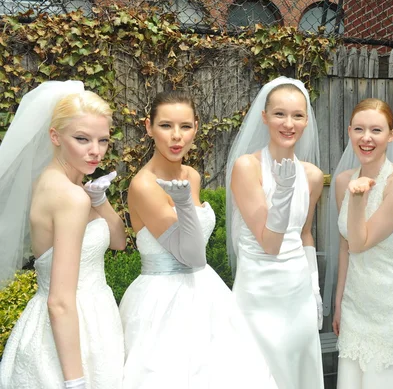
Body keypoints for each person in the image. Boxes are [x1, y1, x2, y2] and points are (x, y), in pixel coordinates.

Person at [119, 91, 277, 389]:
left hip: (206, 292)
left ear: (196, 127)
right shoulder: (142, 186)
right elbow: (190, 254)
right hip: (163, 302)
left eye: (185, 126)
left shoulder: (191, 175)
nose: (176, 136)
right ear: (148, 127)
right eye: (165, 126)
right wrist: (183, 206)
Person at [0, 81, 126, 389]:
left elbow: (119, 243)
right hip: (73, 332)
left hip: (85, 319)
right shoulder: (70, 197)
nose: (95, 151)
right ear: (55, 136)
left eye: (103, 140)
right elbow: (59, 301)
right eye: (82, 139)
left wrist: (100, 200)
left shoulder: (58, 183)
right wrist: (75, 382)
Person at [226, 76, 324, 389]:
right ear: (265, 117)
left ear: (307, 120)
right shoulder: (247, 167)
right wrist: (281, 193)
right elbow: (270, 243)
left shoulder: (312, 175)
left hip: (298, 294)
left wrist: (315, 289)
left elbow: (305, 234)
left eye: (297, 115)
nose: (288, 123)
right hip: (257, 293)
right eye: (280, 114)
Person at [327, 98, 393, 389]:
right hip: (357, 304)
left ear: (391, 134)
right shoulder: (343, 181)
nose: (366, 138)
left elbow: (361, 242)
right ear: (349, 132)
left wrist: (358, 199)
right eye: (359, 129)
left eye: (376, 130)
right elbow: (346, 246)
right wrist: (339, 301)